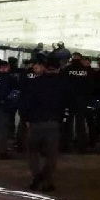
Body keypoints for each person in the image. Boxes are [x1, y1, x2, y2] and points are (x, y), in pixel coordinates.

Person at [20, 58, 69, 191]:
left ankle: (36, 176)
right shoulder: (63, 85)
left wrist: (26, 119)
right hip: (53, 123)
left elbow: (25, 103)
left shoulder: (34, 83)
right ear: (59, 69)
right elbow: (68, 104)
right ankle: (47, 180)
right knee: (51, 155)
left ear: (45, 68)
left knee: (32, 152)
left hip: (35, 123)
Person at [62, 53, 94, 153]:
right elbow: (90, 86)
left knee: (68, 123)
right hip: (82, 100)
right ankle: (82, 146)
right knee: (80, 124)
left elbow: (63, 85)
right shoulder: (86, 71)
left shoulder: (67, 70)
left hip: (69, 101)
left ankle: (66, 146)